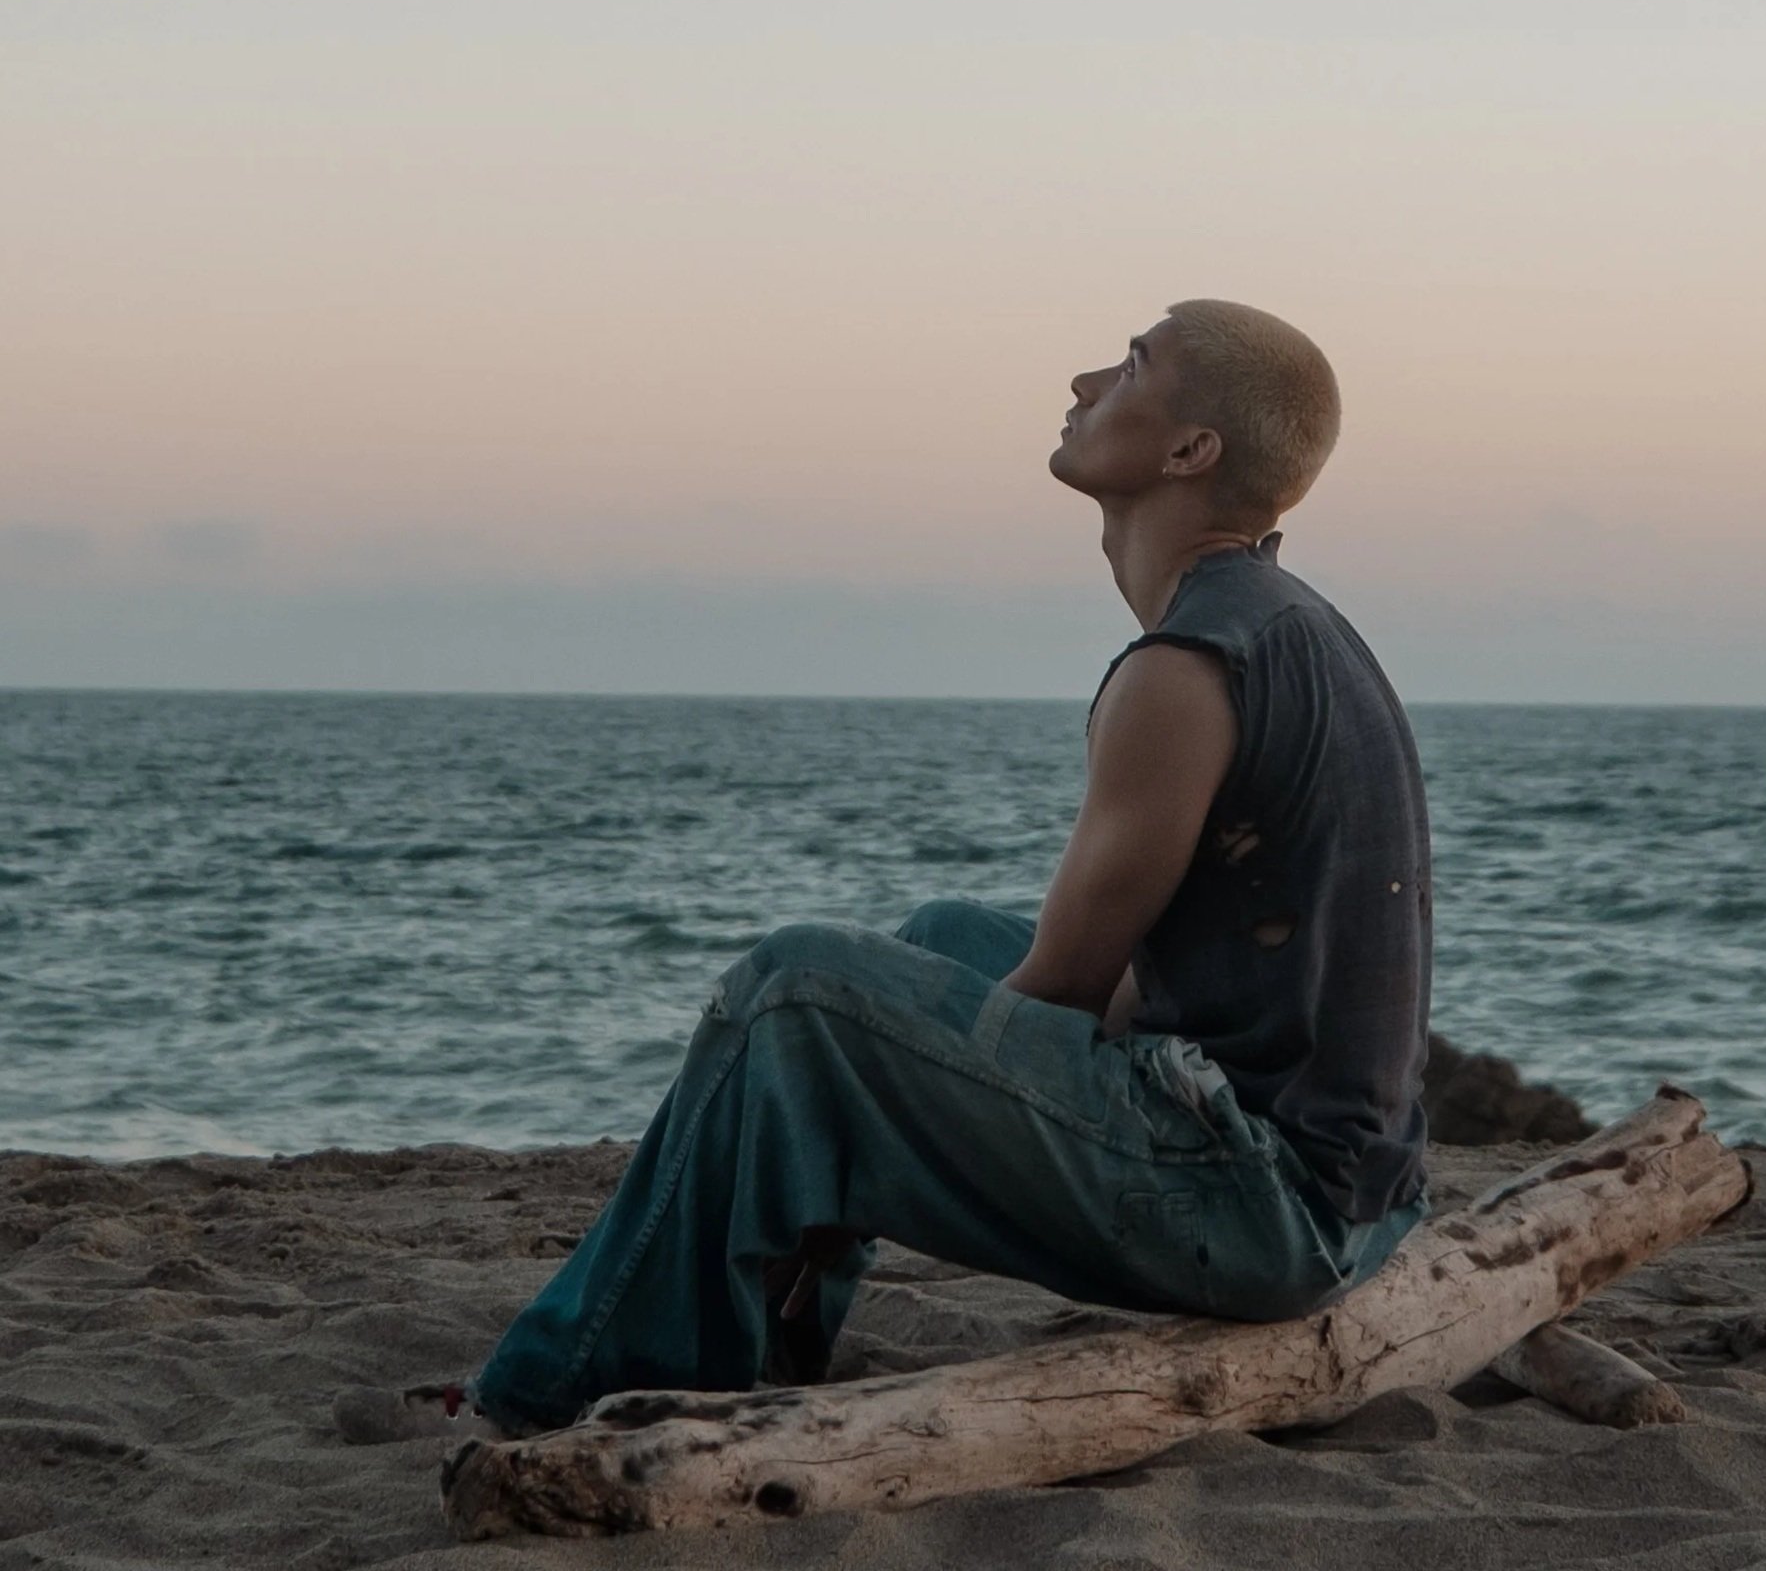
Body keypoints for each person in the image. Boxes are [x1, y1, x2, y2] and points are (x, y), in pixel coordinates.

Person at [337, 299, 1432, 1447]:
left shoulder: (1185, 668)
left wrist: (889, 1072)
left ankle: (559, 1395)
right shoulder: (1287, 624)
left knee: (796, 992)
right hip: (1360, 1196)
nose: (1081, 378)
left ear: (1188, 451)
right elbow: (1138, 984)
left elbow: (1060, 993)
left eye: (1131, 365)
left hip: (1270, 1215)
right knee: (943, 937)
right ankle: (760, 1333)